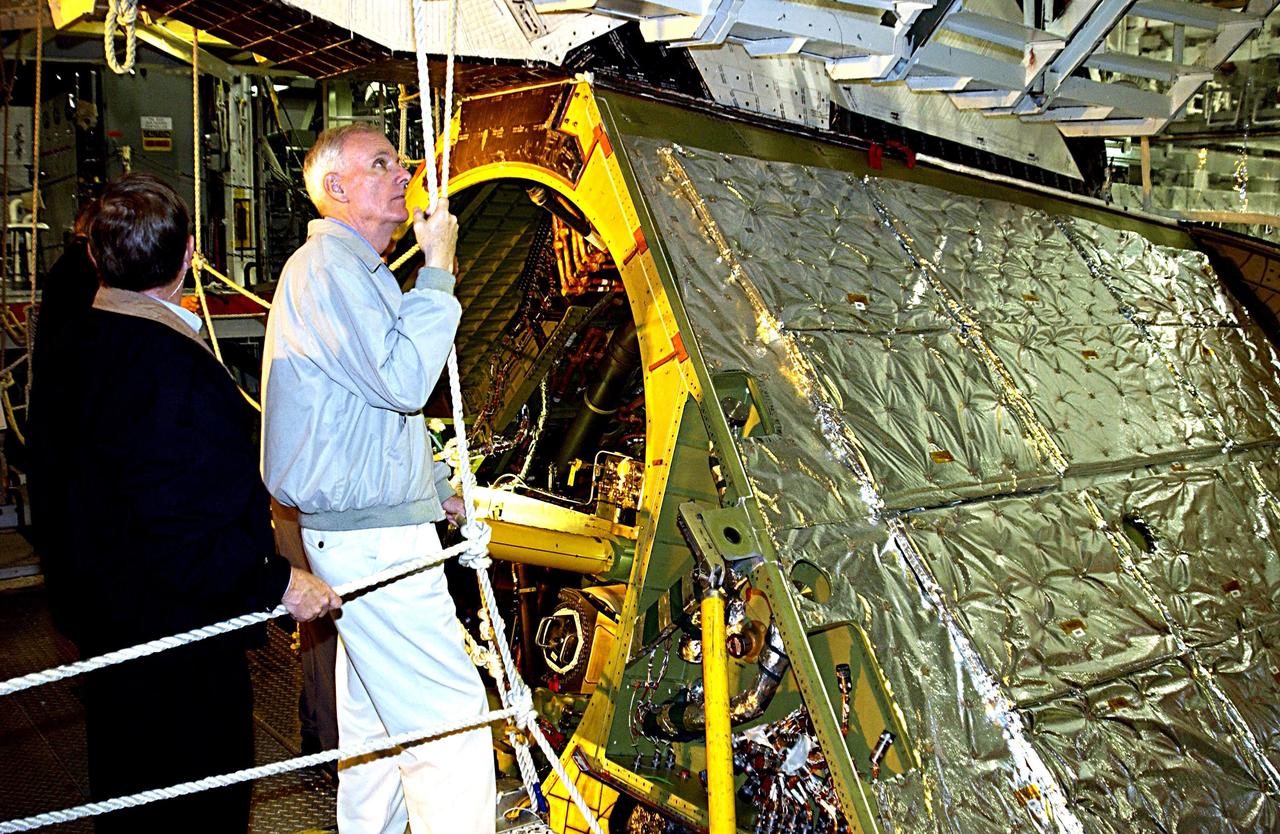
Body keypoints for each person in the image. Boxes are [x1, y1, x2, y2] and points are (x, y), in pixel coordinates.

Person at [27, 173, 341, 833]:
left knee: (128, 799)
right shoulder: (178, 369)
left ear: (93, 255)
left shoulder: (66, 353)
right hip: (182, 646)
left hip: (109, 638)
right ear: (191, 254)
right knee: (201, 808)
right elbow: (182, 520)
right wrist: (279, 581)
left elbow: (53, 495)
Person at [261, 123, 494, 834]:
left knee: (376, 741)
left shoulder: (349, 274)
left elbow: (364, 414)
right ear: (336, 188)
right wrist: (440, 272)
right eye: (382, 164)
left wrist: (433, 491)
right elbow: (402, 380)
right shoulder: (330, 270)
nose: (404, 174)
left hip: (365, 535)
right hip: (377, 546)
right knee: (449, 729)